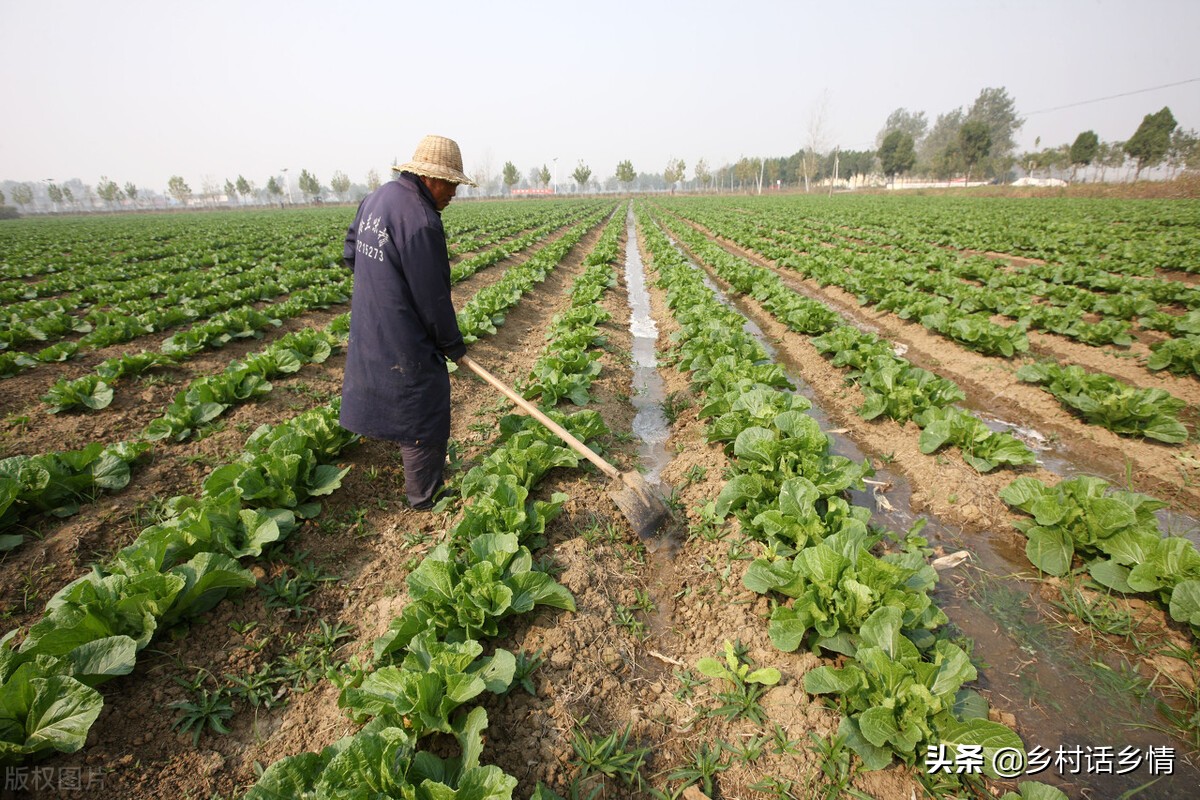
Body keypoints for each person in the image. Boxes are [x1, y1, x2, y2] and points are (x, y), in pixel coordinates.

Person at [340, 135, 476, 510]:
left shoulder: (376, 198)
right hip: (404, 327)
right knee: (424, 400)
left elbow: (352, 252)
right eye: (451, 184)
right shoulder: (421, 219)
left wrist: (380, 287)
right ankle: (424, 497)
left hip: (371, 318)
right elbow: (432, 298)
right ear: (431, 178)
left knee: (389, 385)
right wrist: (452, 345)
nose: (453, 193)